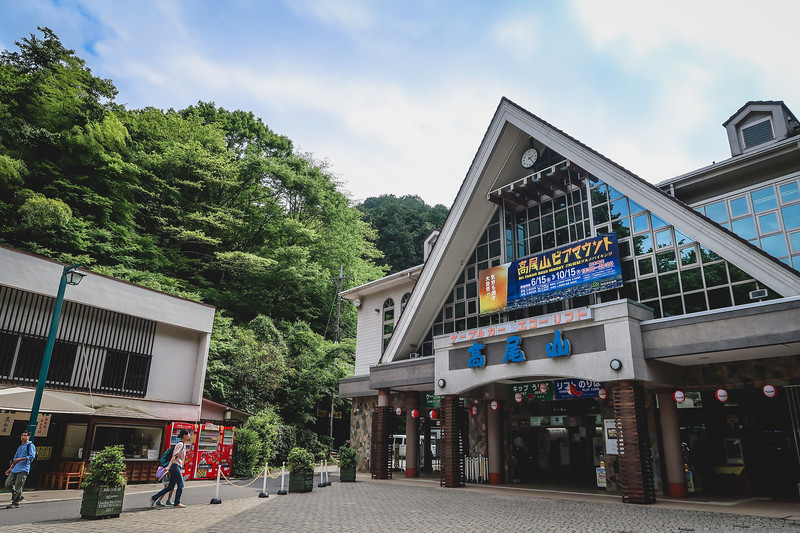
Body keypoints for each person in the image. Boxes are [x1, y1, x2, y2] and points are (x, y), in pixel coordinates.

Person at [151, 429, 191, 508]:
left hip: (176, 466)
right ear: (184, 435)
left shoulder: (183, 444)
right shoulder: (180, 444)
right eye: (188, 434)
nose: (189, 436)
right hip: (175, 466)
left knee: (170, 487)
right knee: (181, 484)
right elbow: (174, 456)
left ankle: (154, 498)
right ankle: (177, 503)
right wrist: (169, 466)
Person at [4, 430, 36, 509]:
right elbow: (15, 459)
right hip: (15, 468)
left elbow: (32, 456)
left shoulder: (30, 445)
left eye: (25, 435)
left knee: (19, 485)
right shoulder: (20, 446)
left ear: (28, 436)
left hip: (23, 468)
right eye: (22, 435)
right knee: (8, 484)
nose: (23, 437)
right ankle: (19, 496)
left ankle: (15, 502)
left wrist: (20, 459)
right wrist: (10, 468)